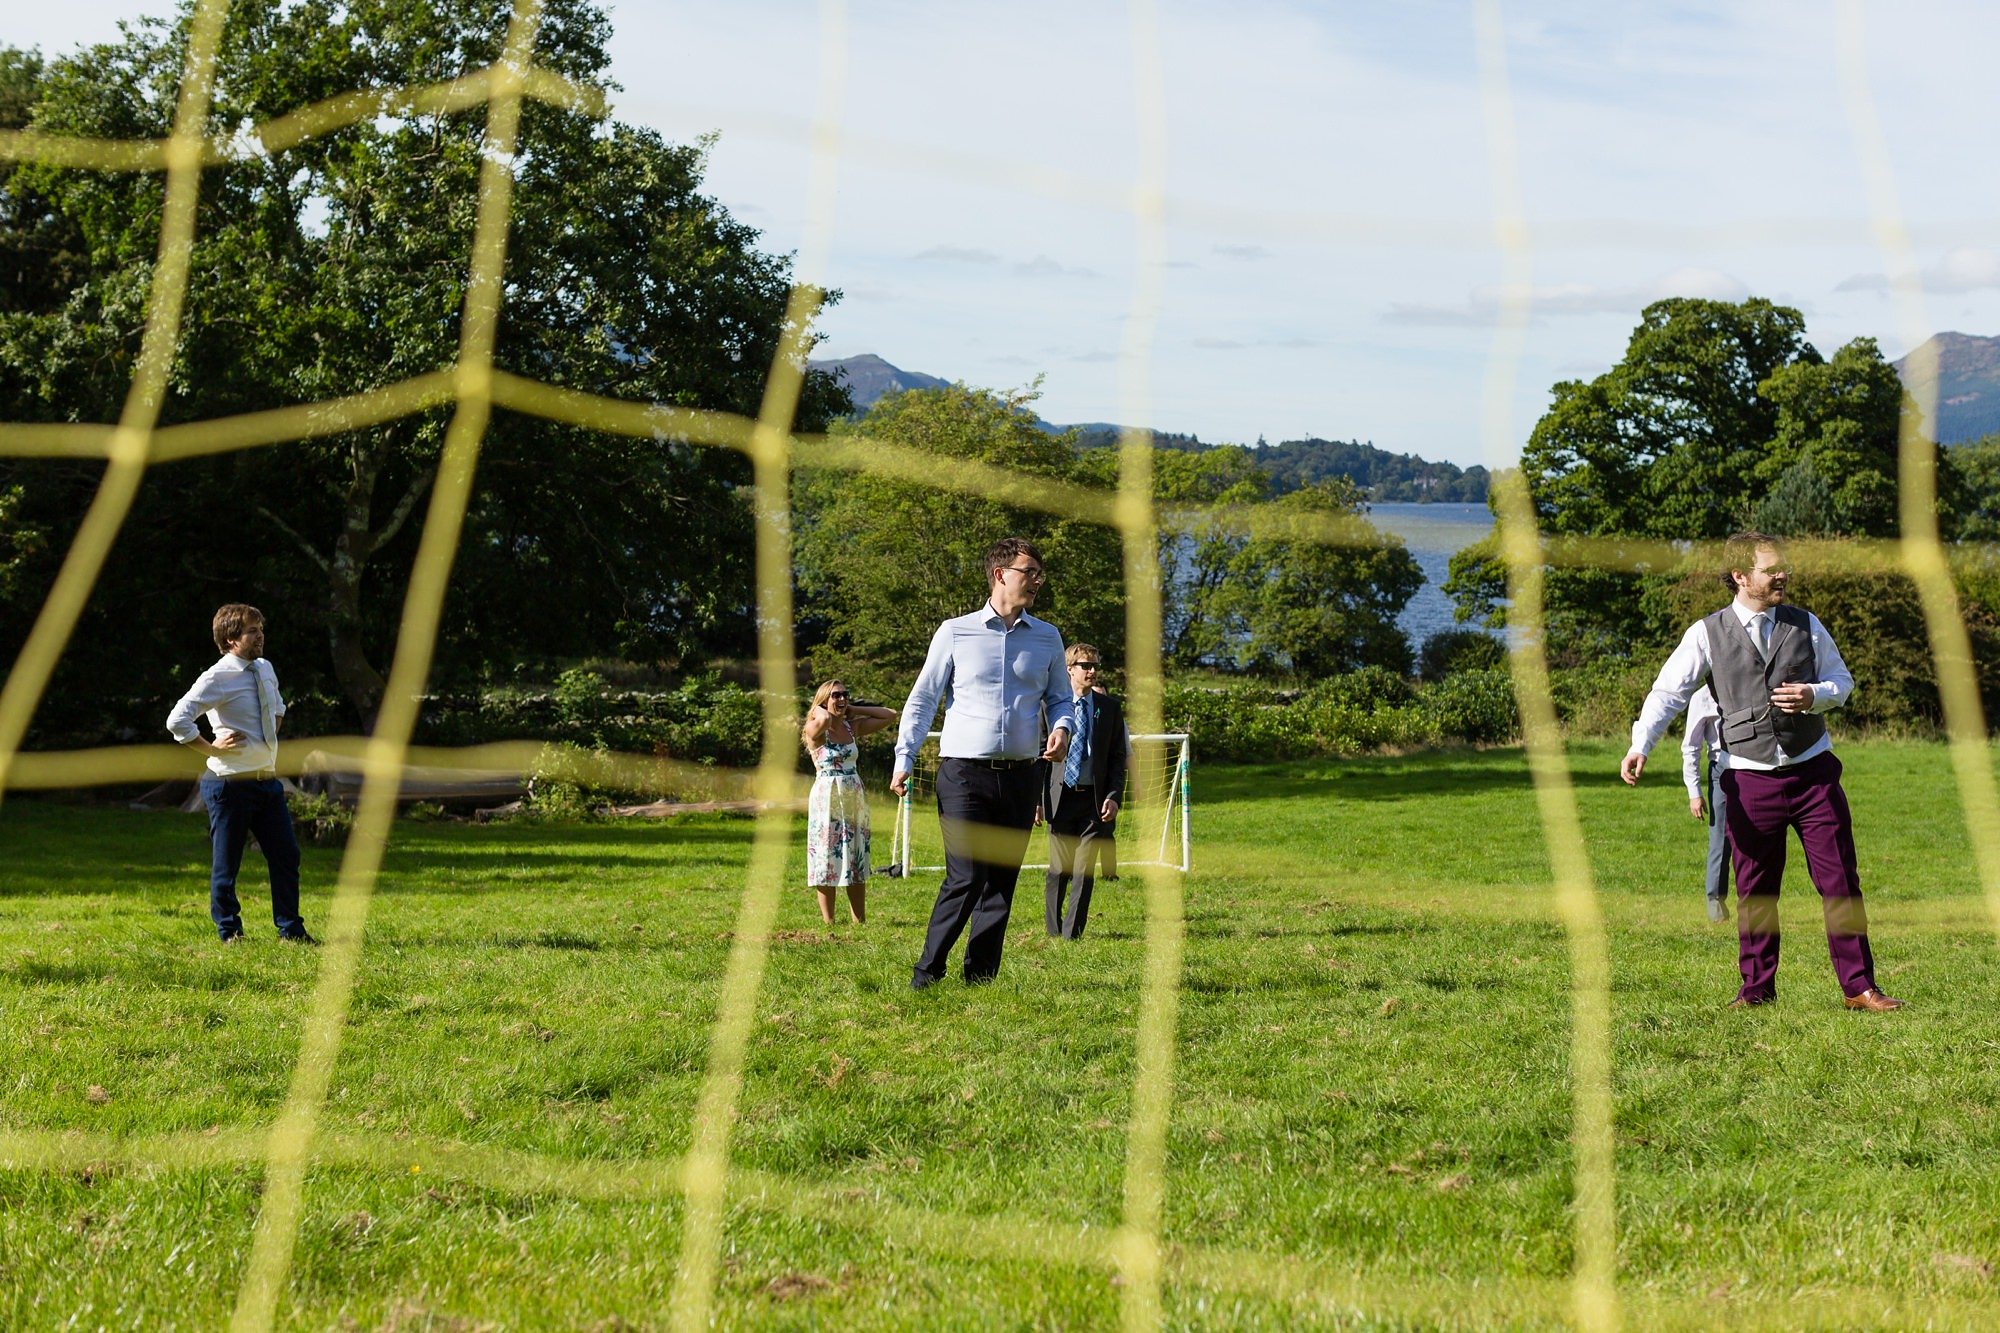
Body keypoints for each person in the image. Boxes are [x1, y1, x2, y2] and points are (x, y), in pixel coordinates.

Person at [1620, 532, 1902, 1012]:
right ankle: (1756, 992)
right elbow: (1668, 693)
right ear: (1740, 577)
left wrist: (1816, 694)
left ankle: (1859, 988)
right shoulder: (1705, 633)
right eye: (1771, 569)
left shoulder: (1806, 623)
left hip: (1814, 775)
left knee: (1841, 884)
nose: (1782, 575)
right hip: (1747, 781)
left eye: (1783, 567)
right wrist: (1640, 744)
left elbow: (1842, 681)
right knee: (1756, 892)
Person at [892, 537, 1073, 988]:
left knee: (1001, 882)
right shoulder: (955, 631)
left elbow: (1060, 697)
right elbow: (922, 700)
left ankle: (981, 979)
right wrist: (904, 757)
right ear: (1000, 575)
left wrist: (1063, 727)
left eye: (1038, 573)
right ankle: (927, 974)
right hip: (963, 774)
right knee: (967, 875)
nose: (1036, 581)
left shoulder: (1048, 636)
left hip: (1021, 776)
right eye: (1028, 572)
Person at [165, 604, 316, 945]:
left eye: (261, 629)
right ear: (231, 638)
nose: (260, 635)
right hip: (229, 785)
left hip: (267, 782)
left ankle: (291, 932)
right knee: (227, 864)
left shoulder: (264, 668)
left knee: (286, 856)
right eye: (252, 631)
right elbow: (177, 720)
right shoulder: (217, 677)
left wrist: (267, 737)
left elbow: (277, 708)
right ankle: (230, 932)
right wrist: (212, 748)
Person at [1038, 644, 1127, 939]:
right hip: (1059, 798)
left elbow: (1117, 758)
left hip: (1093, 800)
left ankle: (1071, 935)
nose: (1092, 671)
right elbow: (1038, 756)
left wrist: (1114, 796)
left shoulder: (1110, 709)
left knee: (1084, 869)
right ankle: (1053, 931)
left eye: (1095, 666)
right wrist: (1035, 801)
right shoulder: (1049, 706)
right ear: (1069, 669)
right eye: (1085, 665)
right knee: (1058, 869)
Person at [800, 679, 896, 924]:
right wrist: (819, 710)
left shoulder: (852, 727)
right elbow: (821, 721)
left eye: (845, 694)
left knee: (855, 855)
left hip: (853, 794)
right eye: (835, 696)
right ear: (824, 700)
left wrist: (855, 709)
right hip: (827, 796)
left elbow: (889, 715)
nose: (841, 699)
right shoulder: (815, 728)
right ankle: (829, 922)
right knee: (826, 856)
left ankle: (858, 920)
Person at [1681, 683, 1731, 923]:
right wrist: (1694, 792)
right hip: (1721, 770)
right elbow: (1691, 746)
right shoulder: (1701, 697)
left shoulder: (1747, 681)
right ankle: (1715, 904)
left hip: (1756, 767)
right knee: (1720, 838)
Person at [1091, 679, 1121, 882]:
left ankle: (1109, 873)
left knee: (1106, 830)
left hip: (1104, 784)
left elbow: (1122, 752)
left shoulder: (1112, 715)